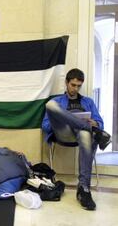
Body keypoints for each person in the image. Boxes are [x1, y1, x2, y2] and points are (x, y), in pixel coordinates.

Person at [42, 68, 111, 211]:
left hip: (81, 135)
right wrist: (65, 119)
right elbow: (45, 126)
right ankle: (93, 131)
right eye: (73, 85)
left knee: (85, 133)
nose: (75, 88)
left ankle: (84, 189)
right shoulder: (57, 100)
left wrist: (95, 124)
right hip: (63, 132)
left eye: (78, 86)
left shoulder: (88, 101)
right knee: (50, 105)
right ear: (66, 83)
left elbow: (100, 121)